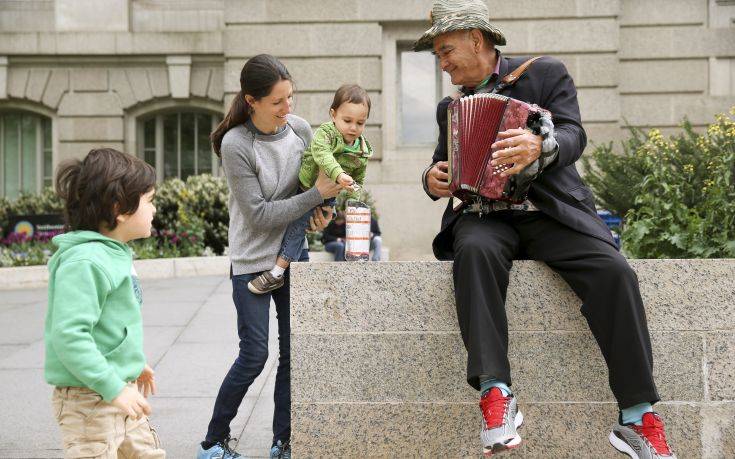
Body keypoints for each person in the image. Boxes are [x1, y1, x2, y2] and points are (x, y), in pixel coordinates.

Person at [415, 1, 677, 458]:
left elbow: (575, 134)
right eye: (437, 53)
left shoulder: (544, 74)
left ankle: (636, 417)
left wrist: (542, 144)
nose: (441, 61)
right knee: (472, 251)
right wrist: (432, 179)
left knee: (615, 272)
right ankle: (496, 396)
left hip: (550, 214)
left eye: (445, 49)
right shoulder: (451, 108)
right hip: (486, 218)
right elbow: (447, 167)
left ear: (476, 40)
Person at [197, 54, 341, 459]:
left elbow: (320, 187)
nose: (287, 108)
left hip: (294, 256)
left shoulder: (299, 129)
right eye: (277, 101)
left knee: (294, 355)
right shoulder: (236, 144)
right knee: (254, 354)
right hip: (252, 262)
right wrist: (316, 197)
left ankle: (283, 440)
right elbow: (258, 215)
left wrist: (323, 212)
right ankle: (213, 442)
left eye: (290, 97)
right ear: (252, 101)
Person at [45, 148, 165, 458]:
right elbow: (69, 336)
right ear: (119, 208)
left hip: (118, 390)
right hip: (89, 402)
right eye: (149, 200)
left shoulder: (113, 252)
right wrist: (112, 386)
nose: (154, 209)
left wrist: (133, 363)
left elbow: (111, 326)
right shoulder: (85, 262)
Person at [248, 84, 374, 293]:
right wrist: (340, 175)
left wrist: (354, 193)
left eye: (360, 123)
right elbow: (323, 155)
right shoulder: (326, 133)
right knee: (298, 227)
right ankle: (277, 272)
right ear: (333, 115)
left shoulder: (362, 147)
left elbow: (360, 174)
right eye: (347, 120)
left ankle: (285, 270)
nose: (353, 128)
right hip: (309, 188)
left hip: (331, 194)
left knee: (313, 224)